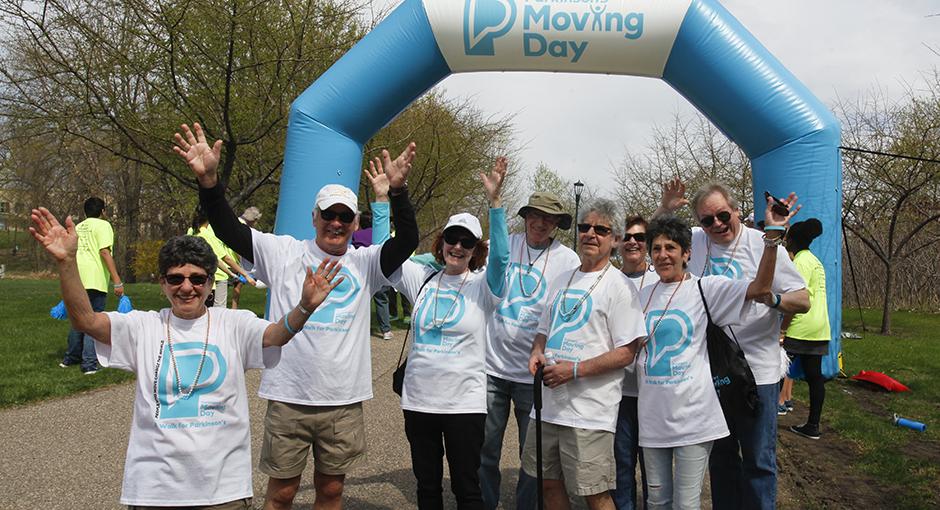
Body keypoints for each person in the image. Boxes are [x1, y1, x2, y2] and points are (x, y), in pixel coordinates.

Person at [174, 122, 419, 510]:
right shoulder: (282, 252)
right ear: (314, 217)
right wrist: (208, 182)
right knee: (282, 493)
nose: (336, 223)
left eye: (345, 217)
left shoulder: (366, 262)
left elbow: (407, 241)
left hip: (341, 398)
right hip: (289, 396)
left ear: (355, 223)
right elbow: (227, 228)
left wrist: (399, 193)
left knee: (332, 490)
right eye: (329, 215)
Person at [30, 208, 344, 509]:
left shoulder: (233, 324)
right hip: (154, 491)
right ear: (162, 282)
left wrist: (305, 307)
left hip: (223, 491)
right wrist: (67, 263)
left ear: (210, 283)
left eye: (197, 279)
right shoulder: (144, 326)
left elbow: (276, 335)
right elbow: (86, 321)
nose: (187, 287)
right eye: (175, 278)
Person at [654, 179, 810, 510]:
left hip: (758, 371)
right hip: (710, 373)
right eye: (707, 220)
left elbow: (803, 299)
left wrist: (773, 299)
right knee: (721, 459)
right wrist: (665, 208)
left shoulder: (764, 244)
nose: (717, 225)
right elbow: (656, 242)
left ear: (736, 210)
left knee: (758, 460)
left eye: (723, 216)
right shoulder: (695, 244)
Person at [392, 157, 509, 510]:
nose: (457, 247)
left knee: (466, 488)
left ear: (476, 250)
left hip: (464, 404)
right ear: (441, 242)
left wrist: (495, 204)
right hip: (419, 401)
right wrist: (387, 199)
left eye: (466, 242)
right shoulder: (422, 279)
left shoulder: (483, 287)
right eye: (452, 239)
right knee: (427, 486)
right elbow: (386, 253)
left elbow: (502, 260)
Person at [521, 199, 647, 510]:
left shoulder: (619, 287)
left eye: (601, 229)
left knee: (595, 493)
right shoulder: (562, 279)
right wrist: (538, 350)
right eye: (584, 227)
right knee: (548, 483)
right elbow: (544, 329)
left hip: (589, 412)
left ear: (615, 239)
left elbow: (627, 352)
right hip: (547, 406)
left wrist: (574, 370)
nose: (590, 234)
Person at [479, 191, 579, 510]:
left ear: (556, 224)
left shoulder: (568, 260)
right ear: (525, 217)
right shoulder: (504, 244)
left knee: (533, 455)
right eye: (535, 215)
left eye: (549, 218)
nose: (540, 223)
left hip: (533, 373)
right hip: (491, 367)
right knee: (485, 448)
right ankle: (485, 503)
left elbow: (572, 311)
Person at [613, 215, 657, 510]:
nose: (632, 241)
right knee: (622, 465)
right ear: (617, 243)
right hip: (620, 392)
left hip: (655, 392)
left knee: (655, 472)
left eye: (640, 237)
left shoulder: (661, 279)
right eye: (627, 236)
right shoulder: (609, 280)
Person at [59, 196, 124, 375]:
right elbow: (104, 252)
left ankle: (70, 358)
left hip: (77, 278)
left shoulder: (78, 227)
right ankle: (89, 363)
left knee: (78, 320)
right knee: (92, 320)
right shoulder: (104, 226)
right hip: (94, 279)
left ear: (85, 212)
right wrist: (117, 280)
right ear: (103, 211)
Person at [780, 219, 831, 440]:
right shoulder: (815, 261)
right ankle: (813, 425)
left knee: (776, 370)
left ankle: (772, 413)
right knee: (814, 377)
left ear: (791, 241)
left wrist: (782, 330)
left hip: (800, 327)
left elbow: (795, 300)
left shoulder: (799, 262)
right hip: (820, 327)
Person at [188, 206, 256, 308]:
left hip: (197, 278)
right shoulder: (207, 235)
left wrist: (232, 274)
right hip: (215, 278)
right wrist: (245, 274)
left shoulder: (191, 231)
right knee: (218, 312)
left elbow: (215, 259)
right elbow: (225, 258)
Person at [352, 210, 393, 341]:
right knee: (382, 300)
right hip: (380, 270)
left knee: (362, 301)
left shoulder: (356, 235)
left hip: (362, 272)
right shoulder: (382, 235)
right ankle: (386, 330)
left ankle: (359, 329)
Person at [230, 206, 264, 309]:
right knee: (238, 285)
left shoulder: (237, 222)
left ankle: (234, 309)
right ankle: (233, 310)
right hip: (234, 260)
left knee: (238, 285)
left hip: (235, 260)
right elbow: (237, 247)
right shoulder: (243, 227)